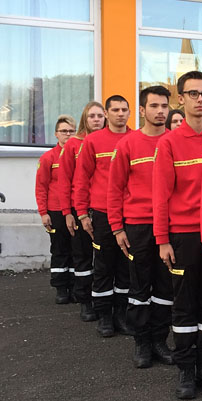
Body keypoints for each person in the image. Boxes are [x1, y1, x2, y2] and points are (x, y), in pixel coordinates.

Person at [154, 71, 202, 399]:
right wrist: (162, 239)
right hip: (183, 235)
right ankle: (185, 370)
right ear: (180, 99)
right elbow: (161, 194)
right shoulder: (169, 142)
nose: (200, 99)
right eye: (193, 94)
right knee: (184, 304)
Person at [107, 85, 174, 368]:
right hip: (138, 226)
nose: (160, 111)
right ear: (143, 110)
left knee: (166, 288)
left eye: (164, 106)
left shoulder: (175, 141)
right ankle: (142, 343)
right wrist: (117, 228)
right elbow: (114, 188)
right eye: (154, 106)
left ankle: (160, 340)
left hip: (171, 228)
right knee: (139, 287)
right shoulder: (128, 144)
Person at [74, 95, 133, 337]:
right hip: (101, 213)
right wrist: (81, 213)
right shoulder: (93, 141)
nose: (120, 114)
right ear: (106, 114)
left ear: (130, 113)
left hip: (130, 213)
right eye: (115, 110)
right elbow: (81, 179)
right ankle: (104, 316)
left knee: (126, 267)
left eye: (124, 110)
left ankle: (121, 314)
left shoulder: (136, 138)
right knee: (104, 265)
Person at [60, 101, 106, 322]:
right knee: (83, 257)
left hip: (103, 208)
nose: (96, 119)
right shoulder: (73, 145)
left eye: (99, 115)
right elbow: (65, 180)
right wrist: (68, 212)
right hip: (80, 209)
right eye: (92, 116)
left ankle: (103, 301)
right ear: (84, 119)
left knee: (105, 260)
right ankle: (85, 301)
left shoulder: (109, 141)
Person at [36, 115, 77, 305]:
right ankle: (61, 288)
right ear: (56, 134)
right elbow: (41, 186)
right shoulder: (48, 158)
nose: (67, 134)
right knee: (60, 250)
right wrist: (43, 212)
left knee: (77, 250)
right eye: (64, 131)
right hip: (55, 211)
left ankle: (76, 287)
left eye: (71, 131)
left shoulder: (79, 155)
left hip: (75, 209)